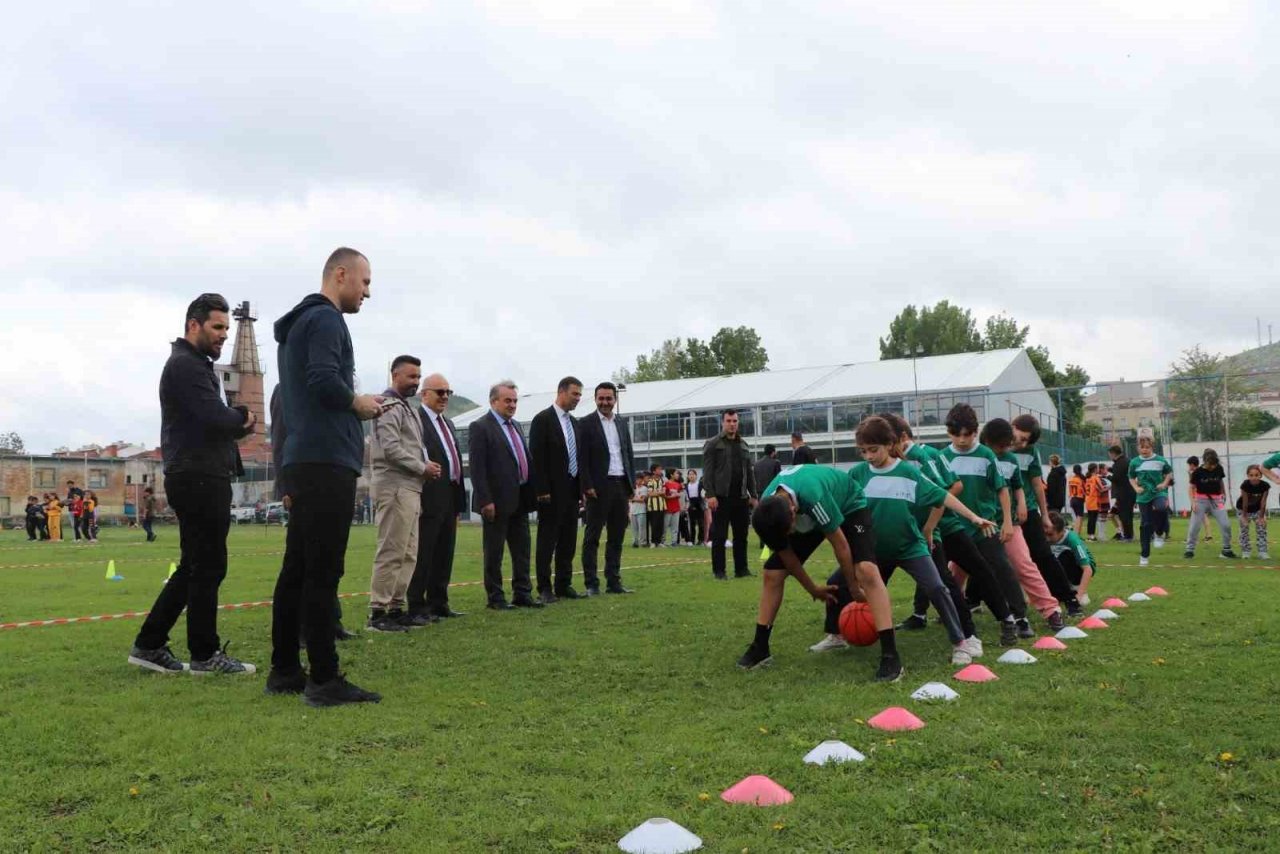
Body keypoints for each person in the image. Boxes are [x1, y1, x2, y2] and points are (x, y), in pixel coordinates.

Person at [268, 247, 384, 707]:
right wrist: (359, 404)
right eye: (365, 282)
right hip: (326, 460)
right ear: (340, 274)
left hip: (303, 457)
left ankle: (284, 669)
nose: (367, 293)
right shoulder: (327, 320)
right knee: (322, 569)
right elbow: (323, 379)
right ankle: (324, 678)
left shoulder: (297, 325)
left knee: (297, 569)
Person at [129, 292, 256, 677]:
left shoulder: (194, 365)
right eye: (217, 327)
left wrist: (233, 422)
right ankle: (204, 654)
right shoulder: (186, 365)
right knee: (208, 566)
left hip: (199, 472)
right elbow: (213, 416)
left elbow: (212, 421)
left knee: (196, 565)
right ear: (193, 325)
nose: (224, 335)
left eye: (227, 328)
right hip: (198, 476)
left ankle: (150, 644)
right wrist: (240, 416)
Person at [844, 416, 994, 665]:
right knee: (838, 582)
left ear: (889, 444)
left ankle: (960, 643)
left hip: (910, 547)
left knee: (937, 588)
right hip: (875, 550)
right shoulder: (857, 474)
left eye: (873, 449)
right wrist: (857, 533)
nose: (868, 456)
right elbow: (847, 510)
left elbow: (941, 495)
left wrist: (973, 517)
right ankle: (837, 634)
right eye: (863, 451)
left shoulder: (908, 472)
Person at [742, 460, 901, 681]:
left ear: (793, 511)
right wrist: (812, 589)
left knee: (866, 570)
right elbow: (787, 555)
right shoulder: (767, 511)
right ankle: (760, 647)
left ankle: (891, 655)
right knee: (772, 574)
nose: (790, 535)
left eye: (790, 530)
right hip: (810, 513)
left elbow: (841, 545)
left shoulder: (813, 496)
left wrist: (854, 588)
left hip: (849, 505)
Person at [884, 414, 1017, 648]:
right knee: (936, 580)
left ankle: (1002, 621)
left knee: (976, 571)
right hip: (914, 533)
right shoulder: (886, 462)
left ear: (901, 437)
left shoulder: (925, 456)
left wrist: (930, 525)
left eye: (886, 442)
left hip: (946, 526)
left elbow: (951, 487)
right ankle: (845, 629)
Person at [938, 403, 1031, 641]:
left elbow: (1002, 489)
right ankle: (933, 614)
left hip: (984, 527)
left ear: (976, 432)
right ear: (948, 432)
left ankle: (1019, 617)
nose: (961, 440)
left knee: (1000, 568)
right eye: (955, 434)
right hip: (952, 529)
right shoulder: (942, 457)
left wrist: (1008, 522)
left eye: (967, 434)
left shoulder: (986, 455)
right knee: (937, 573)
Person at [367, 355, 439, 632]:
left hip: (410, 486)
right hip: (394, 485)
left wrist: (424, 466)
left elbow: (411, 447)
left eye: (418, 377)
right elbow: (390, 448)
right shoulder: (388, 406)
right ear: (394, 375)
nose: (415, 382)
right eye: (411, 376)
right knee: (391, 549)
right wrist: (422, 467)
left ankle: (396, 608)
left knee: (408, 553)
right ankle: (378, 611)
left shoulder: (407, 408)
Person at [981, 418, 1067, 632]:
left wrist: (1023, 508)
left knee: (1024, 564)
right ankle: (953, 611)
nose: (1018, 443)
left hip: (1008, 522)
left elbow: (1020, 486)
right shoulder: (978, 454)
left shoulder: (1013, 459)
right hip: (977, 523)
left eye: (1025, 440)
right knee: (958, 569)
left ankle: (1051, 610)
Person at [469, 380, 543, 610]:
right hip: (496, 501)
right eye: (507, 400)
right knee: (494, 552)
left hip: (520, 498)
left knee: (522, 550)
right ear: (494, 402)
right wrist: (485, 500)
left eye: (515, 401)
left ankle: (523, 593)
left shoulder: (516, 426)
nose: (512, 405)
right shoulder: (480, 427)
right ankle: (496, 597)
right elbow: (477, 468)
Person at [407, 373, 469, 619]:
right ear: (424, 394)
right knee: (424, 553)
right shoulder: (417, 420)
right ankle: (416, 603)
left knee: (445, 551)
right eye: (439, 392)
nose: (445, 397)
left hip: (450, 495)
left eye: (448, 392)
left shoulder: (448, 423)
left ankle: (439, 602)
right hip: (429, 495)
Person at [1010, 414, 1083, 620]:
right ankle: (972, 600)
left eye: (1027, 440)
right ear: (1012, 427)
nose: (1022, 443)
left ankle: (1069, 599)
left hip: (1028, 511)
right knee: (991, 557)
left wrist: (1044, 514)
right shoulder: (992, 446)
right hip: (999, 513)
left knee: (1043, 555)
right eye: (1020, 437)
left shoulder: (1030, 452)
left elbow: (1036, 485)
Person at [577, 381, 638, 594]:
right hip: (598, 488)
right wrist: (587, 485)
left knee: (616, 537)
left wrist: (631, 484)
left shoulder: (621, 423)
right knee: (592, 537)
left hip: (621, 484)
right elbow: (582, 458)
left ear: (615, 399)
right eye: (601, 398)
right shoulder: (585, 424)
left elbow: (628, 454)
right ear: (595, 399)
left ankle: (614, 582)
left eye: (609, 398)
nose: (605, 402)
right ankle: (591, 584)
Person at [530, 377, 585, 602]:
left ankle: (564, 584)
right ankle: (544, 588)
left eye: (580, 395)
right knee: (547, 541)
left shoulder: (575, 424)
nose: (578, 399)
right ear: (561, 392)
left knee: (568, 541)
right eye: (575, 394)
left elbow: (579, 458)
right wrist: (542, 489)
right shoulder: (542, 420)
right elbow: (537, 457)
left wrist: (581, 489)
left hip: (571, 491)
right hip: (550, 492)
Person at [703, 409, 758, 579]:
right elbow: (707, 472)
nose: (732, 424)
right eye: (728, 421)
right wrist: (710, 495)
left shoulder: (743, 445)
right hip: (720, 497)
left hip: (741, 497)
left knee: (741, 536)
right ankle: (719, 571)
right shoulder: (713, 444)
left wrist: (753, 495)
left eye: (735, 421)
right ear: (722, 422)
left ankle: (742, 570)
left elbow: (749, 472)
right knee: (719, 536)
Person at [1184, 448, 1236, 559]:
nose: (1212, 467)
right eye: (1210, 464)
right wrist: (1193, 502)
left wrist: (1224, 494)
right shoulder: (1197, 472)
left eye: (1214, 464)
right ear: (1205, 461)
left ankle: (1226, 550)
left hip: (1216, 500)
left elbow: (1220, 481)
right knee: (1195, 525)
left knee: (1226, 524)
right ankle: (1189, 550)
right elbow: (1191, 488)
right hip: (1200, 500)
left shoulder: (1219, 468)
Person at [1129, 435, 1173, 567]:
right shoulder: (1134, 462)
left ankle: (1159, 533)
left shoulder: (1160, 460)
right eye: (1142, 447)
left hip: (1158, 492)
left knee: (1161, 508)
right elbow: (1131, 477)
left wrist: (1164, 484)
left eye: (1147, 447)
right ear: (1138, 448)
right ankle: (1144, 555)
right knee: (1146, 524)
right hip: (1143, 495)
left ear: (1152, 447)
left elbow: (1169, 473)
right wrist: (1136, 488)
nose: (1144, 450)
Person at [1044, 512, 1097, 602]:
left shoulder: (1072, 540)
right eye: (1044, 534)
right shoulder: (1044, 539)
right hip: (1060, 565)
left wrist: (1079, 595)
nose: (1047, 538)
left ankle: (1076, 589)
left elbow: (1087, 570)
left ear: (1061, 531)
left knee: (1065, 555)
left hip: (1080, 568)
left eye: (1050, 535)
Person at [1236, 464, 1271, 559]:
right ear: (1247, 476)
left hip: (1257, 509)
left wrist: (1261, 517)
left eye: (1256, 475)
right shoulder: (1245, 485)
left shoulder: (1265, 486)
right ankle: (1246, 551)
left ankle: (1262, 552)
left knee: (1261, 528)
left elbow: (1263, 502)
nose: (1254, 477)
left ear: (1261, 475)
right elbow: (1245, 502)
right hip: (1243, 509)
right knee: (1244, 529)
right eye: (1251, 475)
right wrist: (1244, 517)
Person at [1108, 445, 1135, 541]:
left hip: (1123, 493)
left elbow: (1116, 478)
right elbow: (1122, 474)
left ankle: (1128, 536)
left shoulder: (1118, 463)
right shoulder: (1127, 461)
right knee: (1128, 514)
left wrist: (1107, 476)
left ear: (1113, 453)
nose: (1110, 456)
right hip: (1130, 491)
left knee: (1124, 515)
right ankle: (1130, 534)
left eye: (1110, 454)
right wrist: (1110, 470)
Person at [645, 464, 666, 547]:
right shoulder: (650, 481)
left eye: (661, 469)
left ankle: (659, 542)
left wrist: (657, 492)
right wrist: (659, 492)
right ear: (654, 471)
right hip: (653, 506)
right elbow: (650, 494)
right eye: (658, 469)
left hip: (661, 505)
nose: (660, 471)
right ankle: (653, 542)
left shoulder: (662, 481)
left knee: (660, 524)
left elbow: (664, 492)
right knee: (654, 524)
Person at [663, 468, 683, 547]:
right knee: (665, 526)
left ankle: (674, 542)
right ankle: (663, 541)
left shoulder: (678, 484)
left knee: (675, 527)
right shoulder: (665, 484)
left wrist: (678, 494)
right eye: (676, 473)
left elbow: (681, 493)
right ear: (671, 475)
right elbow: (664, 496)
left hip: (676, 508)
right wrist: (671, 497)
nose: (677, 475)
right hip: (668, 508)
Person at [685, 469, 705, 545]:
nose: (691, 476)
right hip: (691, 503)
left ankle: (701, 540)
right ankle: (692, 540)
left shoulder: (700, 484)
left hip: (699, 503)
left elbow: (704, 493)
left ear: (696, 476)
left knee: (701, 523)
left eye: (693, 474)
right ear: (688, 476)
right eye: (690, 474)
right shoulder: (686, 485)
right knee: (692, 524)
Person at [629, 473, 649, 548]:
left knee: (642, 528)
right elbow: (629, 498)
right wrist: (634, 499)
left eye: (639, 479)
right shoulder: (633, 488)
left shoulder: (644, 488)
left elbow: (642, 499)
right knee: (634, 528)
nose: (638, 481)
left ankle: (642, 542)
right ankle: (635, 542)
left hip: (641, 510)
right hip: (633, 510)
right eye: (637, 479)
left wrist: (633, 499)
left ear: (642, 480)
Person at [1068, 465, 1086, 533]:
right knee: (1079, 517)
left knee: (1078, 517)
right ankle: (1076, 533)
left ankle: (1078, 533)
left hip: (1072, 498)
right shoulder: (1081, 480)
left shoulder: (1071, 479)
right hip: (1079, 498)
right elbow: (1084, 490)